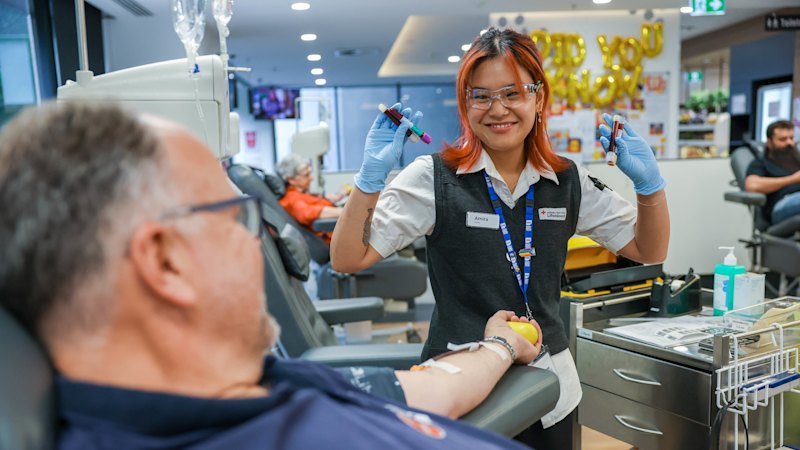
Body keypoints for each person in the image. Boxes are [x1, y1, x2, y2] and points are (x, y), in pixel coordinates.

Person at [0, 101, 547, 450]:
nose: (253, 241)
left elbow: (428, 388)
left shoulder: (262, 381)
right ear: (166, 262)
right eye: (236, 216)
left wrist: (498, 345)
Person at [330, 27, 670, 449]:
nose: (498, 109)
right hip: (458, 386)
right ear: (465, 103)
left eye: (512, 93)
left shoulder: (566, 181)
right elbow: (347, 260)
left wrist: (650, 188)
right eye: (481, 95)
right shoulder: (433, 178)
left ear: (538, 98)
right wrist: (369, 181)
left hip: (550, 388)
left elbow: (647, 249)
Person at [277, 154, 345, 245]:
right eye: (306, 175)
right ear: (291, 180)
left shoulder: (301, 194)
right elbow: (308, 213)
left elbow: (313, 204)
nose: (311, 178)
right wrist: (349, 211)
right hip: (337, 239)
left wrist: (334, 198)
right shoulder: (292, 199)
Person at [744, 119, 799, 224]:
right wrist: (793, 179)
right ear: (769, 142)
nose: (789, 142)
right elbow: (751, 185)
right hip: (782, 204)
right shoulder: (762, 163)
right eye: (783, 139)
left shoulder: (797, 159)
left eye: (791, 138)